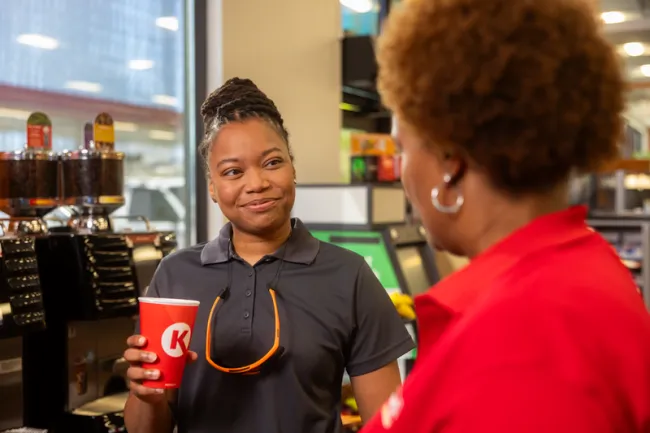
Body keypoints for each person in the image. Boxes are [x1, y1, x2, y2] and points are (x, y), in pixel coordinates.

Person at [361, 0, 650, 432]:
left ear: (449, 161)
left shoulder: (521, 342)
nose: (403, 172)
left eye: (403, 148)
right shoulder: (576, 273)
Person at [122, 77, 415, 433]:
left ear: (293, 167)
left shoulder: (348, 276)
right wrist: (147, 396)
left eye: (272, 163)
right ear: (213, 187)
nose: (257, 183)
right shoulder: (175, 276)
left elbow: (387, 423)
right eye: (233, 171)